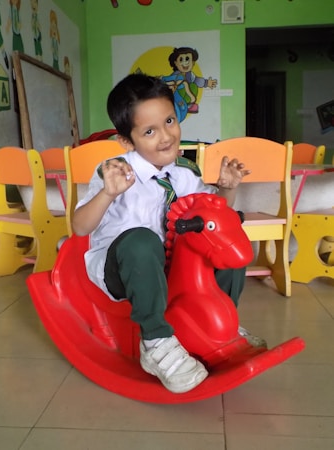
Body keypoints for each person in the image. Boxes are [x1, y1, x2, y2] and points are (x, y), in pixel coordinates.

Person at [72, 73, 265, 394]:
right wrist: (107, 193)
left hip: (173, 268)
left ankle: (220, 324)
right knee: (141, 239)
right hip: (124, 268)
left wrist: (227, 190)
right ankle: (156, 339)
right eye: (149, 131)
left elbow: (213, 216)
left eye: (170, 121)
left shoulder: (185, 172)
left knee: (223, 238)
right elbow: (80, 227)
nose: (165, 136)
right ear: (126, 141)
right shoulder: (115, 170)